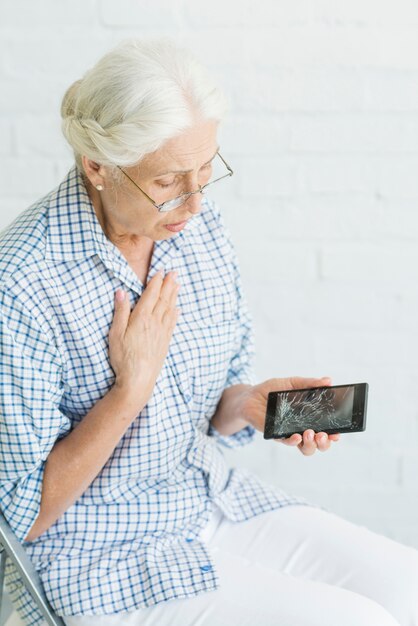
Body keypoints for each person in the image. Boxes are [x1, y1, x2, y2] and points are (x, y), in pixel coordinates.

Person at [0, 39, 417, 626]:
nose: (196, 203)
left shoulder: (196, 228)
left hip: (206, 499)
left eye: (206, 170)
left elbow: (211, 405)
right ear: (98, 166)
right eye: (169, 180)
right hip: (100, 556)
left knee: (408, 588)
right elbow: (22, 516)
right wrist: (129, 391)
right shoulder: (22, 283)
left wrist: (246, 403)